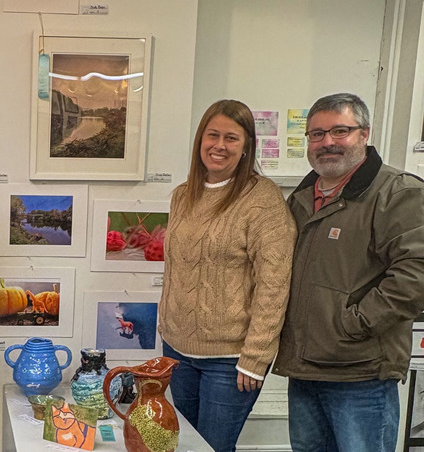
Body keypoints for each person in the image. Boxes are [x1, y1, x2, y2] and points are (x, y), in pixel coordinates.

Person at [273, 93, 424, 452]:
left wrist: (354, 323)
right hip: (305, 370)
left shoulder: (397, 192)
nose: (327, 142)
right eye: (316, 134)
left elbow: (416, 274)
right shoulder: (303, 197)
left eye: (340, 130)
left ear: (364, 134)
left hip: (361, 375)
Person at [159, 99, 296, 452]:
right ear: (200, 140)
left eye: (231, 138)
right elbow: (176, 267)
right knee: (185, 444)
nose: (219, 145)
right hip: (177, 351)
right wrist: (167, 328)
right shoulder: (182, 195)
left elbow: (275, 283)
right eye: (213, 135)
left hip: (230, 358)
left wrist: (256, 356)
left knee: (212, 447)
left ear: (247, 145)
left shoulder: (262, 200)